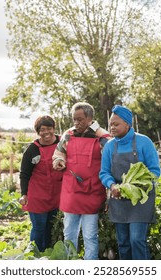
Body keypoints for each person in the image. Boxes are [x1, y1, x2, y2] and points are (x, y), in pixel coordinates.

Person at [99, 105, 161, 260]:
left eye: (116, 124)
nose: (112, 127)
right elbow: (104, 172)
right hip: (118, 199)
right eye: (111, 124)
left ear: (127, 124)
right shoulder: (109, 146)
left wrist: (135, 187)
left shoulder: (144, 142)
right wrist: (112, 186)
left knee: (136, 240)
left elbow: (154, 171)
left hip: (140, 200)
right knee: (124, 243)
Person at [52, 102, 110, 260]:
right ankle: (71, 264)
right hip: (71, 191)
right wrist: (58, 161)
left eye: (80, 120)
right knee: (69, 233)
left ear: (90, 118)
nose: (76, 123)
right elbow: (59, 153)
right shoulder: (69, 134)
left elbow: (111, 159)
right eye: (74, 119)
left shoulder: (102, 137)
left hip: (92, 191)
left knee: (90, 234)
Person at [19, 115, 63, 252]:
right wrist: (24, 194)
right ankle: (35, 255)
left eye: (49, 129)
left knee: (51, 227)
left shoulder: (63, 143)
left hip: (56, 195)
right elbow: (24, 174)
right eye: (42, 129)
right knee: (39, 228)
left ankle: (49, 255)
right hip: (37, 196)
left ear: (54, 129)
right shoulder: (32, 150)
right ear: (38, 132)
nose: (46, 133)